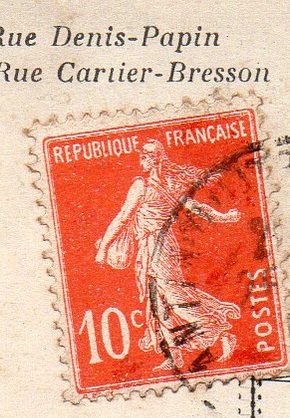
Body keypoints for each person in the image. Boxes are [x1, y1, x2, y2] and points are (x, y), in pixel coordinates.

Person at [94, 139, 244, 370]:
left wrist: (104, 247)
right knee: (158, 302)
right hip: (158, 245)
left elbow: (123, 217)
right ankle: (173, 353)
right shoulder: (169, 186)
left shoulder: (141, 186)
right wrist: (223, 217)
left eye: (144, 156)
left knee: (172, 296)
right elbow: (198, 208)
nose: (141, 161)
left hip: (156, 246)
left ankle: (218, 332)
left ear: (149, 160)